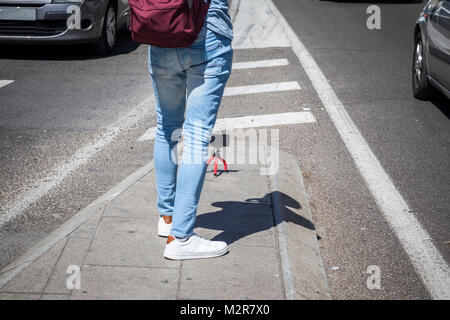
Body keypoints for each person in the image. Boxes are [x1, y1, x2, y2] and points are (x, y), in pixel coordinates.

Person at [148, 0, 234, 260]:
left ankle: (167, 217)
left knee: (166, 127)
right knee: (196, 137)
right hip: (207, 31)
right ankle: (182, 238)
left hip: (163, 27)